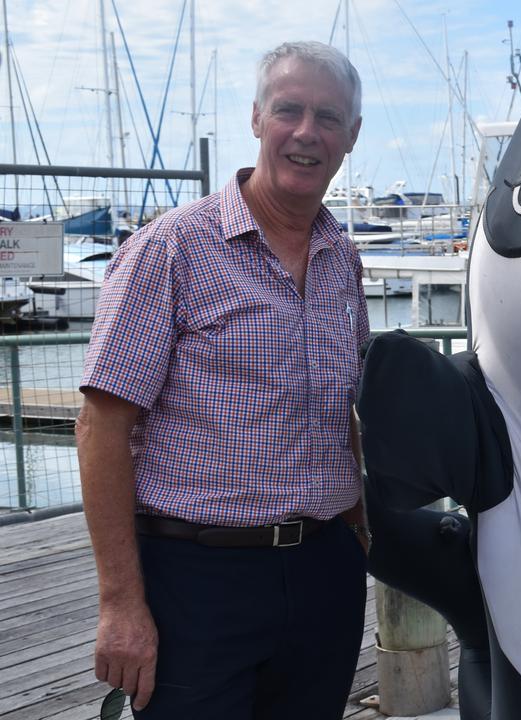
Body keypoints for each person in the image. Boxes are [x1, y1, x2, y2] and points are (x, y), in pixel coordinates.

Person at [76, 41, 371, 719]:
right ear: (257, 118)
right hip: (198, 577)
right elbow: (101, 426)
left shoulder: (342, 259)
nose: (306, 132)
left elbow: (342, 411)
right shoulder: (171, 248)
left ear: (351, 136)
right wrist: (121, 602)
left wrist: (357, 529)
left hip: (324, 571)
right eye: (289, 110)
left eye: (328, 117)